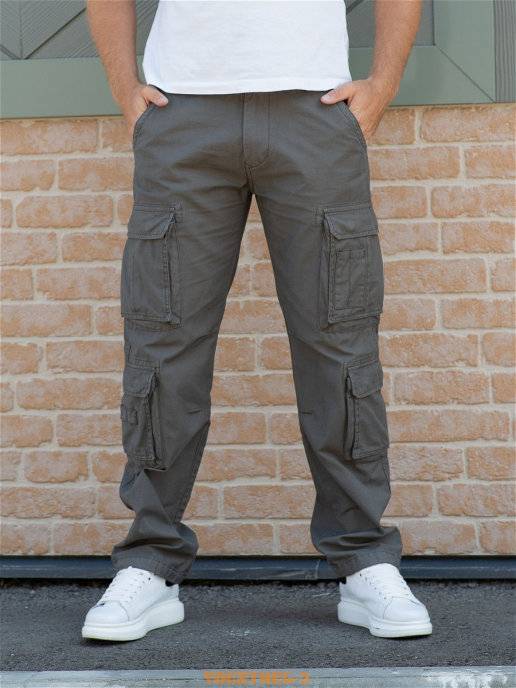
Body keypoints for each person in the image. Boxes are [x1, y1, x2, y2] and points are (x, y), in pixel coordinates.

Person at [83, 0, 432, 642]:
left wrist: (382, 85)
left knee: (340, 342)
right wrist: (124, 87)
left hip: (314, 110)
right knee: (163, 347)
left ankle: (364, 559)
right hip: (182, 110)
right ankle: (150, 563)